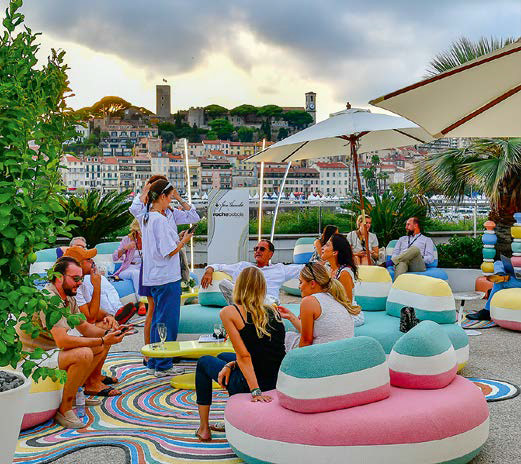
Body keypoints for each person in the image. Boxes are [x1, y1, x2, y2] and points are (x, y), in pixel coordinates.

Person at [16, 257, 131, 429]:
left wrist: (111, 333)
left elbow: (85, 327)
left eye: (81, 278)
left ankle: (77, 395)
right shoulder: (49, 299)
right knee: (84, 353)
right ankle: (64, 409)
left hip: (47, 352)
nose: (79, 283)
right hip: (30, 357)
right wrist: (102, 339)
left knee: (98, 346)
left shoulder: (68, 298)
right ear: (59, 277)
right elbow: (62, 341)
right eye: (75, 278)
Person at [195, 267, 286, 442]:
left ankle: (204, 428)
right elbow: (267, 351)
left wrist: (256, 392)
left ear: (239, 286)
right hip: (274, 378)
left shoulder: (231, 312)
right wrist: (230, 365)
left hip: (253, 383)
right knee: (223, 357)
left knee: (204, 362)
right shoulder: (273, 311)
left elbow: (244, 356)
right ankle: (234, 412)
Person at [130, 175, 200, 357]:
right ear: (162, 196)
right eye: (169, 196)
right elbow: (168, 251)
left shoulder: (146, 217)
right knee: (166, 320)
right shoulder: (157, 218)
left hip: (155, 274)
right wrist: (183, 241)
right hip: (166, 275)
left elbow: (161, 244)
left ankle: (155, 358)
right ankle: (162, 362)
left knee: (158, 318)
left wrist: (176, 238)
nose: (170, 200)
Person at [278, 262, 355, 350]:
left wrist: (297, 358)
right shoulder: (335, 298)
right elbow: (315, 332)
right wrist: (291, 317)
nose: (299, 287)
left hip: (323, 354)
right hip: (343, 352)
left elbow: (306, 341)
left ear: (312, 284)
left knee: (284, 337)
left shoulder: (309, 301)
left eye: (301, 282)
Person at [201, 239, 303, 304]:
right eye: (256, 248)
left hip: (267, 301)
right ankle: (244, 303)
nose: (257, 251)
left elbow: (303, 268)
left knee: (269, 301)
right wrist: (209, 271)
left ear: (270, 254)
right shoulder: (243, 266)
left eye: (262, 249)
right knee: (224, 284)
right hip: (246, 300)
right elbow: (218, 266)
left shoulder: (279, 269)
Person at [64, 246, 137, 325]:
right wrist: (97, 286)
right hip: (68, 326)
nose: (92, 261)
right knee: (105, 326)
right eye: (88, 259)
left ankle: (116, 315)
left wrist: (108, 316)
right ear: (78, 264)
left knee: (108, 324)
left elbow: (91, 309)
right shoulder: (72, 285)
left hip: (80, 322)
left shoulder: (81, 283)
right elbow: (90, 319)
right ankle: (116, 316)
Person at [321, 233, 364, 326]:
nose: (322, 247)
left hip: (348, 314)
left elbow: (347, 303)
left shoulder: (344, 273)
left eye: (327, 245)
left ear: (335, 252)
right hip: (333, 311)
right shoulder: (327, 268)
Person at [112, 219, 147, 315]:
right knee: (136, 274)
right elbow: (115, 257)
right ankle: (141, 302)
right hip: (129, 268)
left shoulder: (149, 239)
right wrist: (126, 248)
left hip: (144, 267)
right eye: (140, 229)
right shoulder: (127, 239)